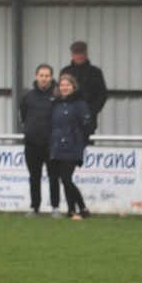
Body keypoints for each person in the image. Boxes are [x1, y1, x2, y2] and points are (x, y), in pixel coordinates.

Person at [18, 64, 61, 217]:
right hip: (32, 143)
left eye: (47, 76)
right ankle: (34, 207)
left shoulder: (57, 95)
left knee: (54, 177)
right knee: (34, 176)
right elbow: (23, 116)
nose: (44, 79)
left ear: (51, 77)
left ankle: (55, 207)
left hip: (51, 143)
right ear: (36, 77)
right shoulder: (27, 96)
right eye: (41, 75)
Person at [50, 73, 93, 219]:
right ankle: (71, 210)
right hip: (57, 146)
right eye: (62, 85)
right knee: (63, 179)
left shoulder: (80, 104)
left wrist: (80, 141)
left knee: (66, 178)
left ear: (73, 87)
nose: (64, 88)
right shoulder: (56, 104)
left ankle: (82, 207)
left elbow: (87, 125)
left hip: (73, 146)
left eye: (67, 85)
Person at [60, 41, 108, 133]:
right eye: (76, 54)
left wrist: (92, 111)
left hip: (88, 118)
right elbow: (60, 93)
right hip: (68, 118)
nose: (79, 56)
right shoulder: (65, 71)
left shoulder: (95, 72)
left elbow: (102, 94)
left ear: (86, 54)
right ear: (72, 54)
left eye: (81, 53)